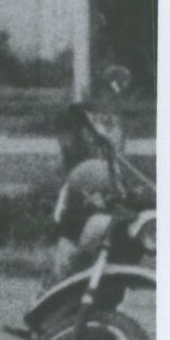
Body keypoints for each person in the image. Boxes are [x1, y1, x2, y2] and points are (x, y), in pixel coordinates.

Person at [46, 104, 123, 290]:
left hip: (97, 215)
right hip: (76, 219)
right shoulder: (75, 163)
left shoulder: (106, 162)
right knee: (66, 262)